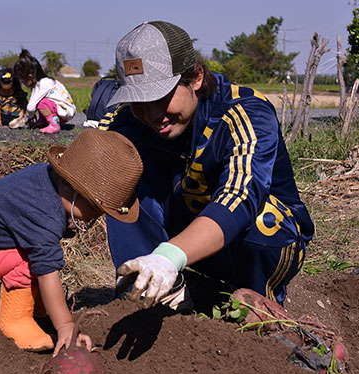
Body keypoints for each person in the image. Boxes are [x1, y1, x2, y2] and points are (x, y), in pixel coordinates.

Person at [99, 21, 314, 314]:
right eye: (139, 101)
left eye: (160, 97)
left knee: (268, 220)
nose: (151, 115)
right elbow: (81, 170)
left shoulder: (245, 113)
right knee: (119, 167)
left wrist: (169, 255)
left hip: (247, 241)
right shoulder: (129, 120)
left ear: (196, 77)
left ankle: (257, 306)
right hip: (181, 238)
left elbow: (239, 197)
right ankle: (155, 291)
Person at [0, 129, 143, 354]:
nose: (94, 218)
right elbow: (46, 269)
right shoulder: (42, 211)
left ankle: (36, 311)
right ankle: (14, 321)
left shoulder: (46, 181)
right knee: (32, 261)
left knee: (37, 254)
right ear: (69, 185)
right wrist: (66, 326)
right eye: (93, 208)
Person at [12, 49, 76, 134]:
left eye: (23, 80)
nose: (23, 83)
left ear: (30, 77)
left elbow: (31, 107)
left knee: (42, 103)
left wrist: (30, 115)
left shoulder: (42, 84)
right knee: (43, 101)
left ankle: (54, 125)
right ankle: (44, 121)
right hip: (66, 110)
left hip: (64, 112)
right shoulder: (48, 81)